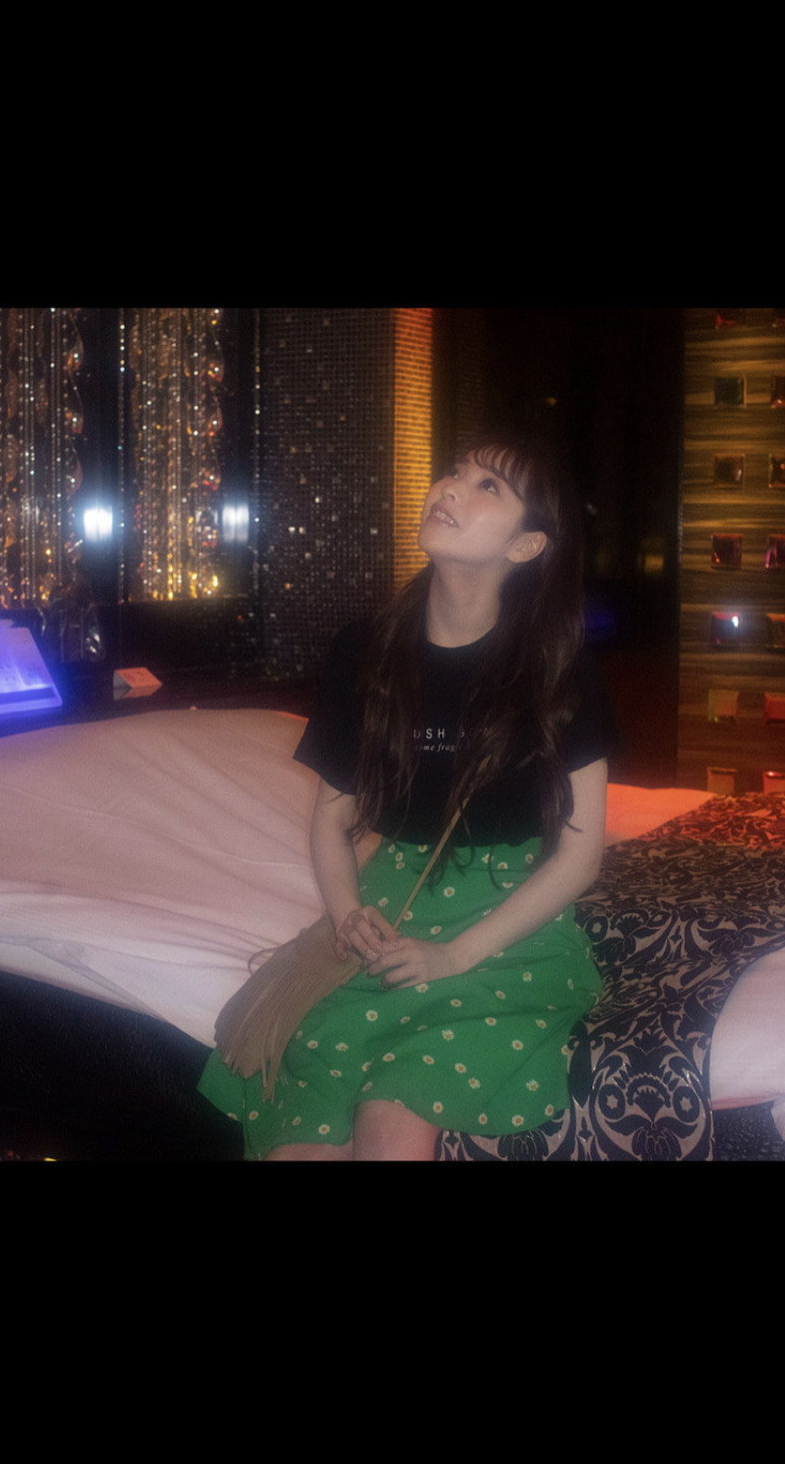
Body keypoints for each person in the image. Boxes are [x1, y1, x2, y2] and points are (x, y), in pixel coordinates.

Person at [198, 433, 616, 1161]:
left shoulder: (555, 660)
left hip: (505, 924)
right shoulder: (364, 651)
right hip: (390, 904)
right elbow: (333, 820)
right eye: (455, 472)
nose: (450, 487)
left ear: (526, 546)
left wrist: (455, 955)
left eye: (488, 486)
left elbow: (580, 858)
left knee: (396, 1110)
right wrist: (346, 912)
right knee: (304, 1118)